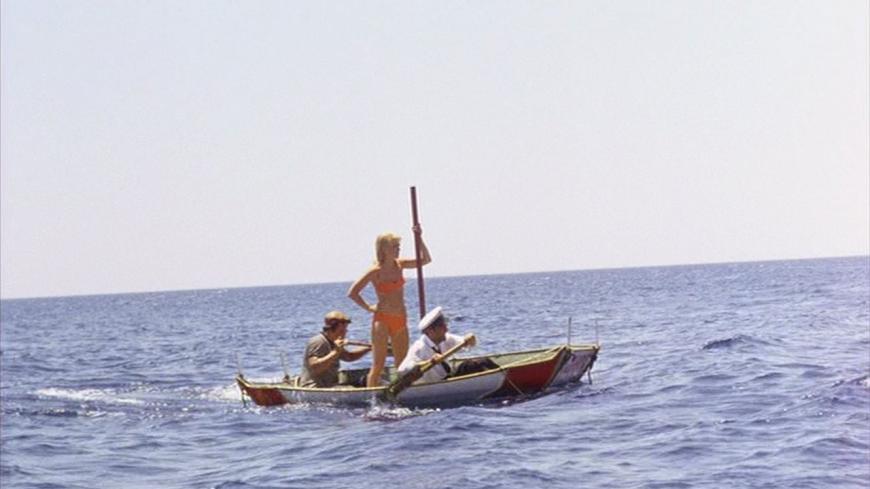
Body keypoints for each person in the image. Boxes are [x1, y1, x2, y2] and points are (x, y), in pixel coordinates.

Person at [348, 227, 431, 387]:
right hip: (382, 320)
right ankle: (371, 394)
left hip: (400, 319)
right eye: (394, 246)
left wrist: (419, 238)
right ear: (384, 249)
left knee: (402, 364)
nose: (398, 249)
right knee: (378, 365)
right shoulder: (375, 271)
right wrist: (369, 307)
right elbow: (353, 293)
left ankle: (400, 393)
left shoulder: (400, 265)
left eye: (398, 246)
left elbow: (425, 260)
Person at [398, 306, 494, 385]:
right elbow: (402, 370)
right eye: (442, 327)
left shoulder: (446, 338)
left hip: (448, 380)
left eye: (445, 325)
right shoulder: (419, 347)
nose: (446, 330)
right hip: (435, 386)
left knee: (481, 362)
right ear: (430, 331)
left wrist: (470, 340)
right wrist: (428, 362)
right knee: (472, 365)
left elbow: (466, 343)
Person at [299, 311, 371, 388]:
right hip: (316, 387)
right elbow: (315, 368)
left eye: (345, 330)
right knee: (352, 388)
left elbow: (349, 357)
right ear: (331, 329)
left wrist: (369, 347)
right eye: (342, 330)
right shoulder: (318, 341)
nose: (345, 332)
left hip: (331, 384)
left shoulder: (334, 342)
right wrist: (335, 352)